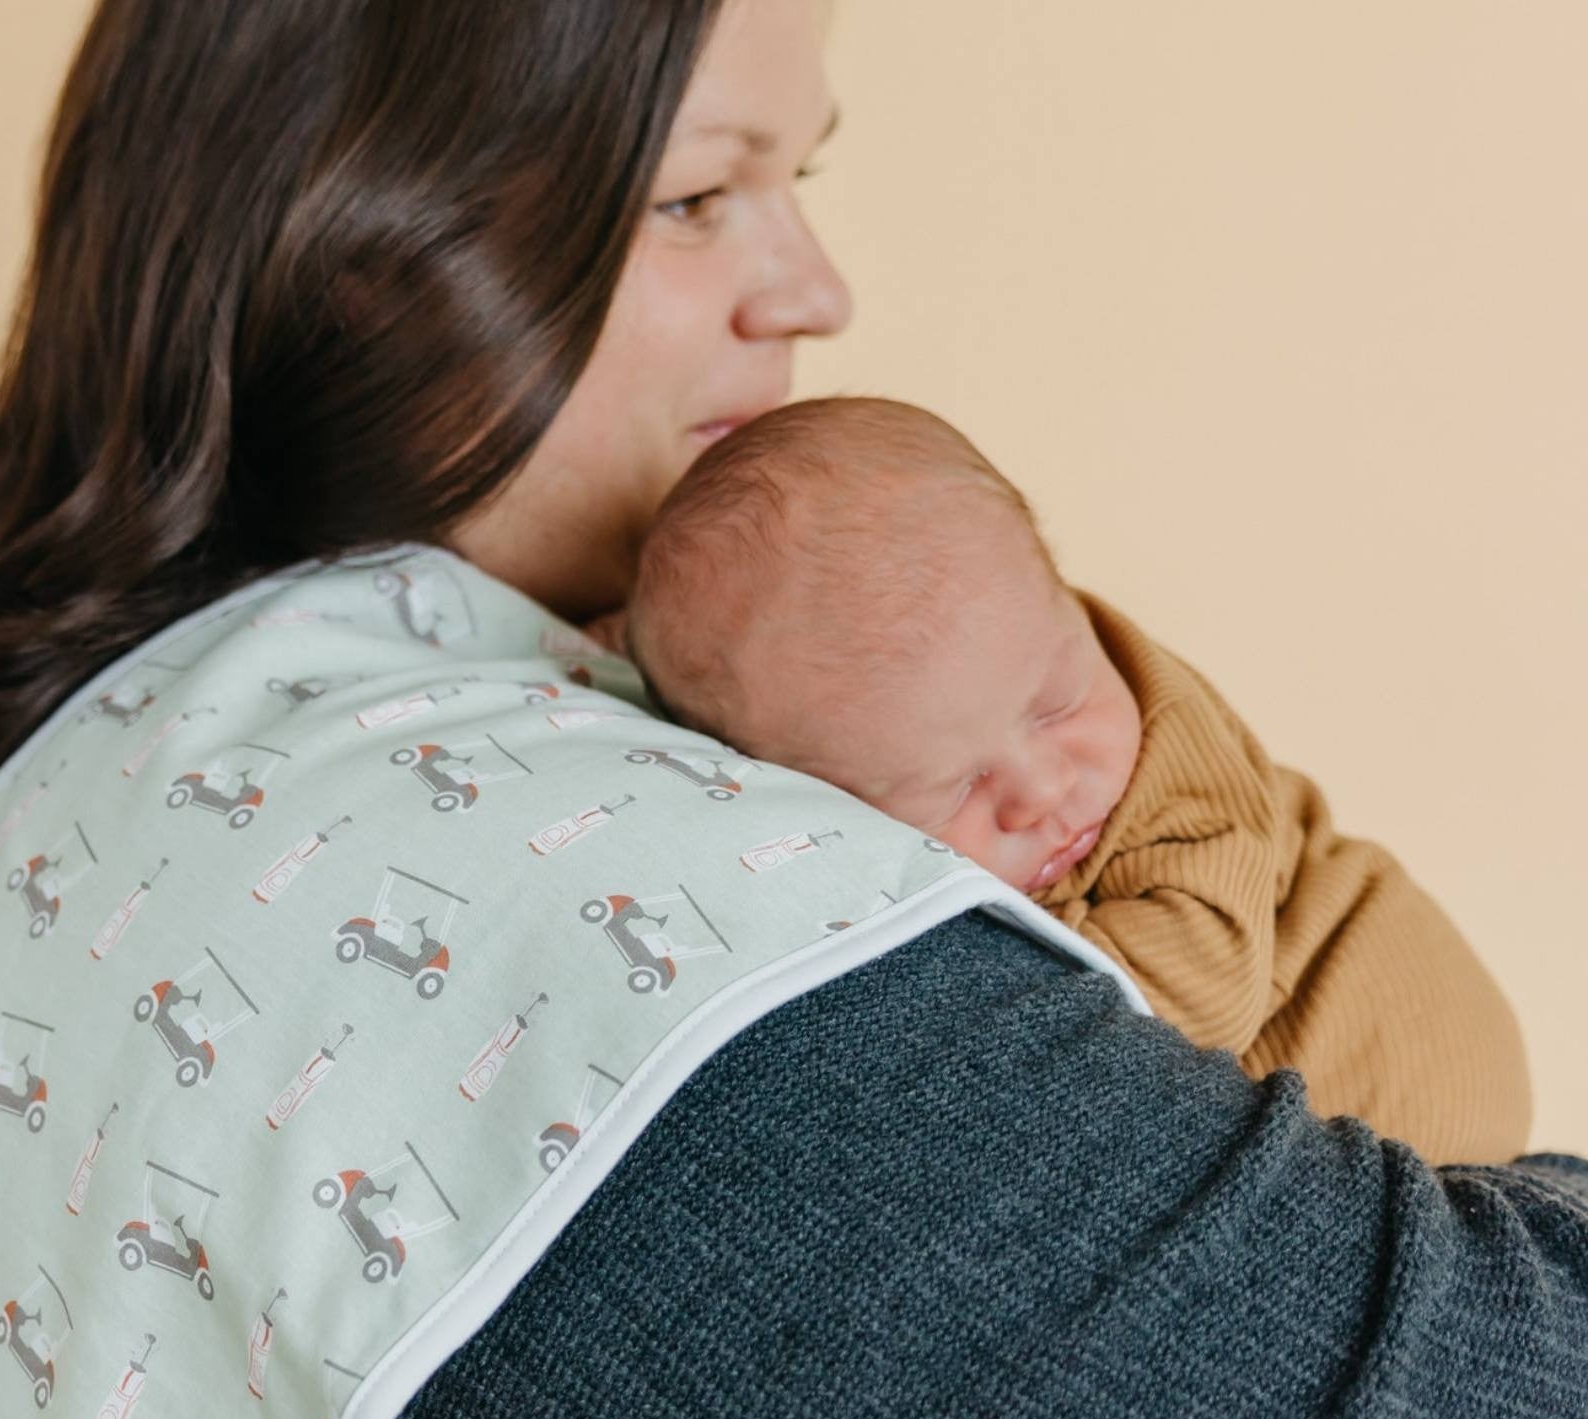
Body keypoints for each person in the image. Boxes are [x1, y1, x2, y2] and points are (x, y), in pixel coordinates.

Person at [0, 1, 1588, 1419]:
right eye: (697, 196)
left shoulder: (158, 815)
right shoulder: (524, 911)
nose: (812, 291)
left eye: (794, 180)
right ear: (364, 226)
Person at [627, 395, 1534, 1166]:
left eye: (1056, 704)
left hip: (1377, 1039)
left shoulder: (1173, 751)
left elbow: (1200, 991)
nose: (1040, 787)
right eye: (953, 786)